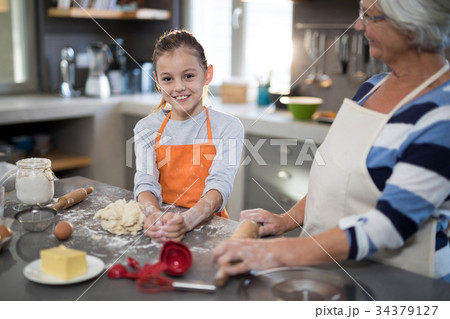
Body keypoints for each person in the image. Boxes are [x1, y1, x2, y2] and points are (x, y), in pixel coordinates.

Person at [214, 0, 450, 282]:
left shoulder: (441, 115)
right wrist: (286, 220)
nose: (360, 25)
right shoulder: (372, 87)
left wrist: (278, 253)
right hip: (329, 269)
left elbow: (388, 226)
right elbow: (334, 179)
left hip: (401, 283)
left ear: (410, 26)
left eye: (369, 16)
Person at [134, 30, 244, 242]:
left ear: (207, 74)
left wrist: (189, 219)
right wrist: (154, 215)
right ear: (157, 80)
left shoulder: (228, 127)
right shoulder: (146, 128)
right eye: (168, 79)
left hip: (211, 231)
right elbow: (145, 182)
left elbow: (220, 185)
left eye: (189, 76)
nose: (179, 87)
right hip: (163, 228)